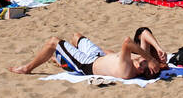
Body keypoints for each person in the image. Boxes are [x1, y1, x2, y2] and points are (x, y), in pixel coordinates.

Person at [10, 32, 162, 80]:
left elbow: (128, 41)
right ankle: (63, 60)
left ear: (141, 69)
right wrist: (158, 54)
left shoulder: (128, 70)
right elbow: (143, 33)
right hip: (97, 55)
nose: (141, 59)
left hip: (87, 64)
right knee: (76, 37)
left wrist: (150, 59)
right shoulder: (136, 65)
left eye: (142, 62)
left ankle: (27, 68)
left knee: (53, 42)